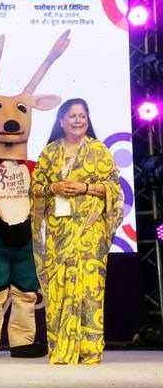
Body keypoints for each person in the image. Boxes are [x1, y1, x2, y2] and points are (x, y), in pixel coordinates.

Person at [29, 98, 124, 365]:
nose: (78, 120)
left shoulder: (99, 150)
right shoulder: (50, 152)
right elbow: (34, 189)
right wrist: (53, 188)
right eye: (72, 115)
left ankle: (89, 349)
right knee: (59, 287)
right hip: (59, 231)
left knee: (90, 287)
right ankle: (61, 347)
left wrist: (85, 188)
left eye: (83, 115)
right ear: (61, 120)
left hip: (90, 231)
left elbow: (113, 188)